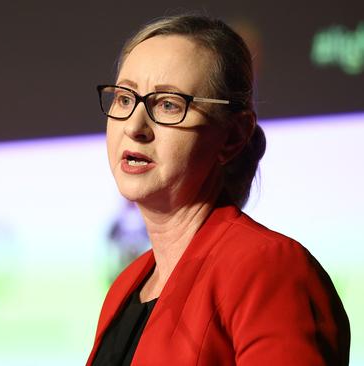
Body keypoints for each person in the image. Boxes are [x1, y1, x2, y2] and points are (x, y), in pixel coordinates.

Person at [87, 15, 350, 365]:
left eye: (168, 104)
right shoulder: (126, 286)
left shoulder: (266, 268)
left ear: (232, 136)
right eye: (123, 98)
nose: (135, 126)